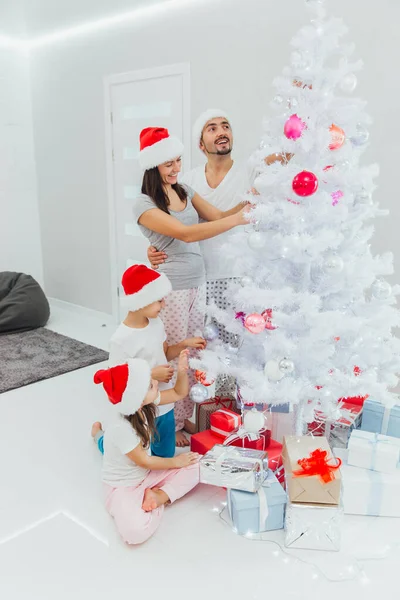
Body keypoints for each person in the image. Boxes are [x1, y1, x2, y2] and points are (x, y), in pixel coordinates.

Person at [147, 110, 290, 395]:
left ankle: (228, 405)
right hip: (196, 278)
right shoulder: (186, 181)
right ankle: (197, 404)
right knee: (198, 345)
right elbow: (170, 222)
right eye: (212, 128)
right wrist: (153, 246)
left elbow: (284, 155)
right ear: (201, 144)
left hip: (236, 276)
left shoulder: (249, 171)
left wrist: (300, 113)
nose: (221, 131)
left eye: (226, 126)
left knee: (234, 348)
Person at [133, 126, 250, 447]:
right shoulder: (143, 204)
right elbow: (185, 234)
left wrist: (251, 203)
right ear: (152, 166)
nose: (175, 168)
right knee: (171, 354)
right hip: (170, 289)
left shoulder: (184, 189)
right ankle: (165, 417)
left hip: (198, 284)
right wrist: (237, 221)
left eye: (178, 161)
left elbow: (217, 216)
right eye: (168, 163)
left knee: (193, 352)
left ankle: (183, 418)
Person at [92, 264, 206, 458]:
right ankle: (100, 437)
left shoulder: (157, 324)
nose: (164, 305)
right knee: (127, 455)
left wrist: (184, 344)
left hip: (164, 404)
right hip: (140, 409)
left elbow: (165, 353)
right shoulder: (121, 339)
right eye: (159, 301)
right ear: (141, 301)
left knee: (165, 456)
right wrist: (152, 375)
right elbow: (116, 380)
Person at [93, 357, 199, 545]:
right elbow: (145, 461)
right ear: (137, 397)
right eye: (151, 385)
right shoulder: (121, 428)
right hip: (123, 486)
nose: (156, 383)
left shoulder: (142, 405)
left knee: (198, 465)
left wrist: (182, 371)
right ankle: (97, 433)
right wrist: (176, 462)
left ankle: (159, 496)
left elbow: (178, 392)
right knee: (133, 534)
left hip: (146, 474)